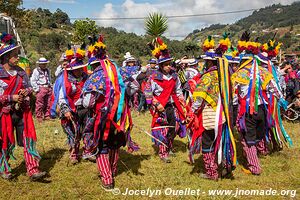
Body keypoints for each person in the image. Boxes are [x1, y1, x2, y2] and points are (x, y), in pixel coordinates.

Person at [82, 35, 138, 191]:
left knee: (101, 146)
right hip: (119, 117)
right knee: (115, 143)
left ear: (93, 64)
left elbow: (88, 103)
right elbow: (135, 87)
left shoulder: (94, 77)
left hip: (102, 118)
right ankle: (112, 171)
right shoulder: (120, 73)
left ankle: (107, 179)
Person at [232, 32, 292, 175]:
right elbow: (275, 89)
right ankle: (263, 151)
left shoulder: (240, 74)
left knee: (248, 139)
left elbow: (234, 95)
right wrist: (283, 102)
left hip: (248, 112)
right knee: (259, 133)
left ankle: (255, 167)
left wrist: (233, 111)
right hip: (263, 110)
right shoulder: (264, 72)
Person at [187, 34, 236, 180]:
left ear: (209, 63)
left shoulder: (207, 77)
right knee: (221, 141)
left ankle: (212, 173)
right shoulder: (225, 76)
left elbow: (199, 98)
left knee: (208, 143)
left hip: (210, 115)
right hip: (225, 115)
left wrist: (192, 111)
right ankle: (225, 169)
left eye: (206, 62)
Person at [0, 32, 46, 181]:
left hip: (22, 112)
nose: (18, 57)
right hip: (4, 114)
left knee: (28, 139)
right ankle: (4, 168)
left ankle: (33, 170)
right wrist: (10, 97)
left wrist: (26, 92)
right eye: (15, 55)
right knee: (4, 141)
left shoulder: (21, 72)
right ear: (6, 57)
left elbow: (30, 88)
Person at [145, 37, 187, 163]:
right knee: (163, 128)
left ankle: (169, 147)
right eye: (166, 65)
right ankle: (163, 153)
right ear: (161, 66)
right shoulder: (153, 77)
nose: (169, 67)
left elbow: (178, 90)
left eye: (169, 64)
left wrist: (182, 104)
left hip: (173, 106)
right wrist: (156, 104)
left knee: (174, 127)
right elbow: (148, 93)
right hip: (160, 106)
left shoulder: (174, 76)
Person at [51, 44, 89, 164]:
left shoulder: (85, 77)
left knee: (86, 130)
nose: (80, 71)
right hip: (71, 110)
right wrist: (65, 110)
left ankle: (88, 151)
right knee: (74, 132)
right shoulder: (65, 80)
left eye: (81, 68)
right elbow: (61, 97)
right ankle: (74, 154)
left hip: (85, 109)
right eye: (77, 69)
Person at [30, 57, 52, 122]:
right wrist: (36, 89)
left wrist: (50, 86)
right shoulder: (36, 71)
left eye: (45, 64)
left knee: (48, 102)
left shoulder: (48, 70)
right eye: (42, 64)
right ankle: (39, 116)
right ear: (39, 64)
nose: (44, 65)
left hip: (48, 87)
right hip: (41, 88)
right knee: (40, 103)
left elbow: (49, 78)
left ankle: (47, 115)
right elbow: (33, 80)